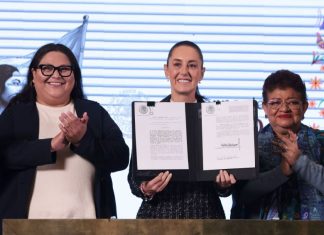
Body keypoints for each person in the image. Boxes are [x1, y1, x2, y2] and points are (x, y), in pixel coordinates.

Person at [0, 43, 129, 225]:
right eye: (47, 68)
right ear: (33, 76)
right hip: (26, 227)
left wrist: (82, 140)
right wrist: (50, 146)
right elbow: (4, 156)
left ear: (74, 76)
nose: (56, 75)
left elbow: (121, 157)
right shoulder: (16, 113)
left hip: (88, 226)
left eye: (64, 69)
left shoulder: (92, 111)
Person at [128, 40, 236, 219]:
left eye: (192, 65)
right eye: (177, 64)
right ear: (166, 70)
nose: (184, 71)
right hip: (157, 219)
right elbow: (133, 179)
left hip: (206, 218)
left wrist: (223, 185)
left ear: (202, 73)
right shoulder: (149, 116)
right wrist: (145, 189)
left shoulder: (218, 118)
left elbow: (226, 188)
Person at [231, 69, 324, 220]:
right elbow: (243, 196)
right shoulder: (248, 144)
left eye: (293, 102)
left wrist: (300, 163)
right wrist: (282, 171)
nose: (284, 109)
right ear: (265, 108)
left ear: (304, 107)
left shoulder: (320, 141)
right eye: (275, 103)